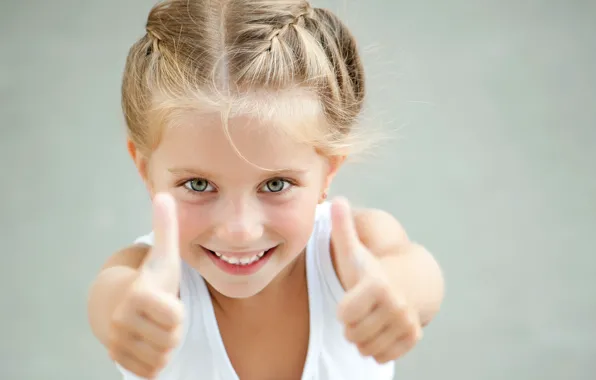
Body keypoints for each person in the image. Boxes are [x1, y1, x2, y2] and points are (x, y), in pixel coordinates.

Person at [87, 0, 445, 379]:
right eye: (198, 185)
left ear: (328, 170)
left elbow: (417, 274)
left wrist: (395, 294)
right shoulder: (144, 279)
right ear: (145, 171)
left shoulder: (357, 251)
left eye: (276, 184)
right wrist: (129, 317)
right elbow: (110, 302)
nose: (240, 229)